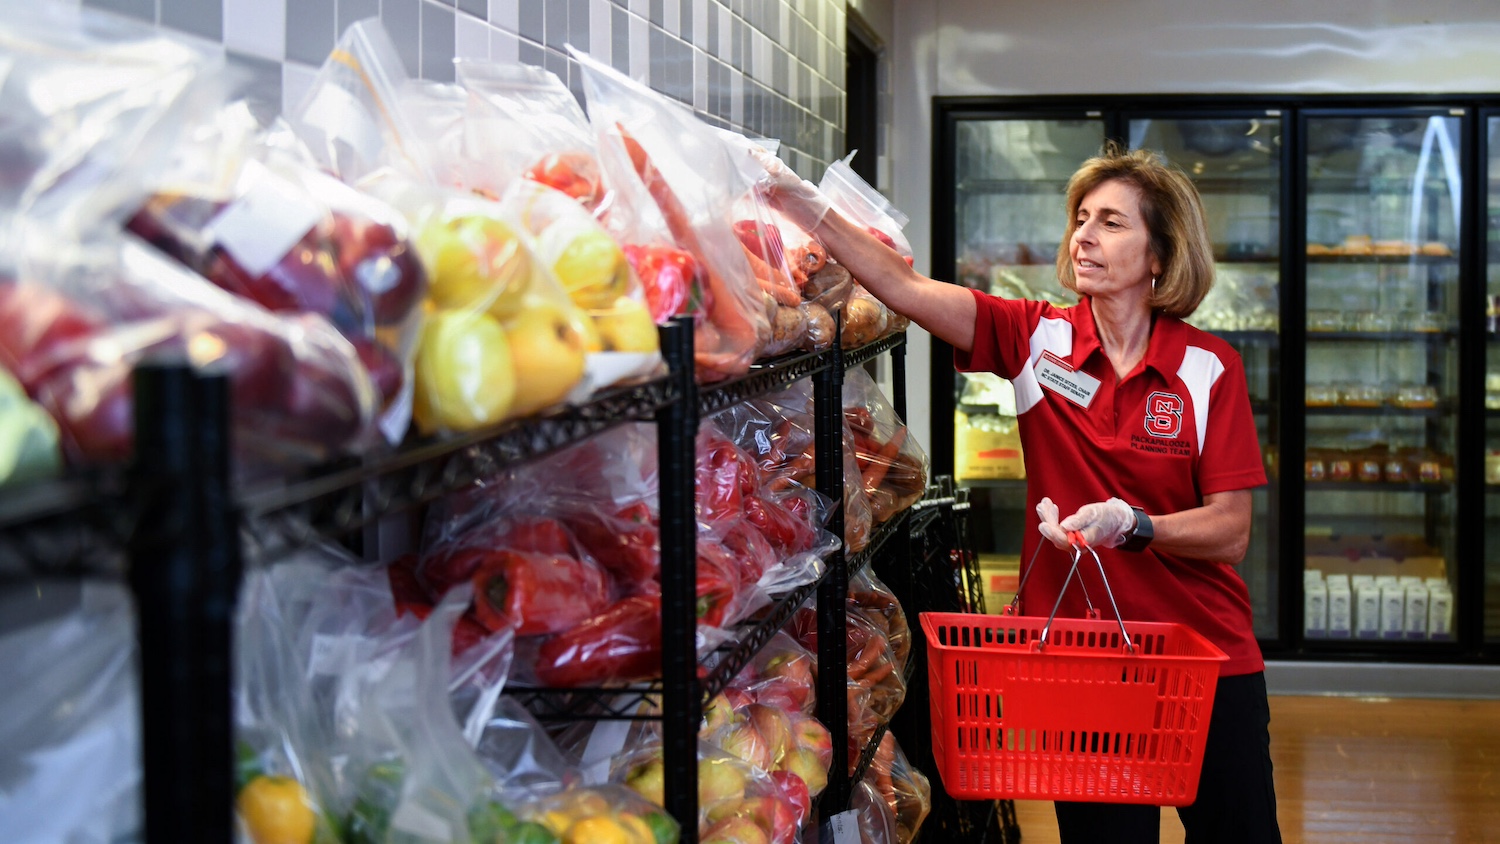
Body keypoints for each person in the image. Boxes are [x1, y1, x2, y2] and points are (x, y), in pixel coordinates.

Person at [754, 144, 1281, 843]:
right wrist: (799, 202)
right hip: (1086, 667)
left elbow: (1230, 530)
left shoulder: (1209, 368)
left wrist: (1135, 524)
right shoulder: (1037, 339)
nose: (1084, 235)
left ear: (1159, 255)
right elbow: (902, 286)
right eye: (1081, 218)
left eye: (1113, 222)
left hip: (1204, 662)